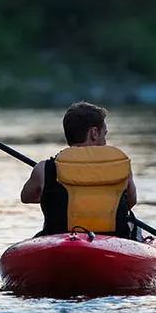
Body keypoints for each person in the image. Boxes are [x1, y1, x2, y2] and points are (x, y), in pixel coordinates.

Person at [20, 101, 139, 239]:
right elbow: (130, 202)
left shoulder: (44, 169)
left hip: (60, 240)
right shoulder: (120, 166)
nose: (105, 140)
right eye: (104, 134)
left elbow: (26, 197)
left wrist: (53, 195)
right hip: (113, 241)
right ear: (94, 133)